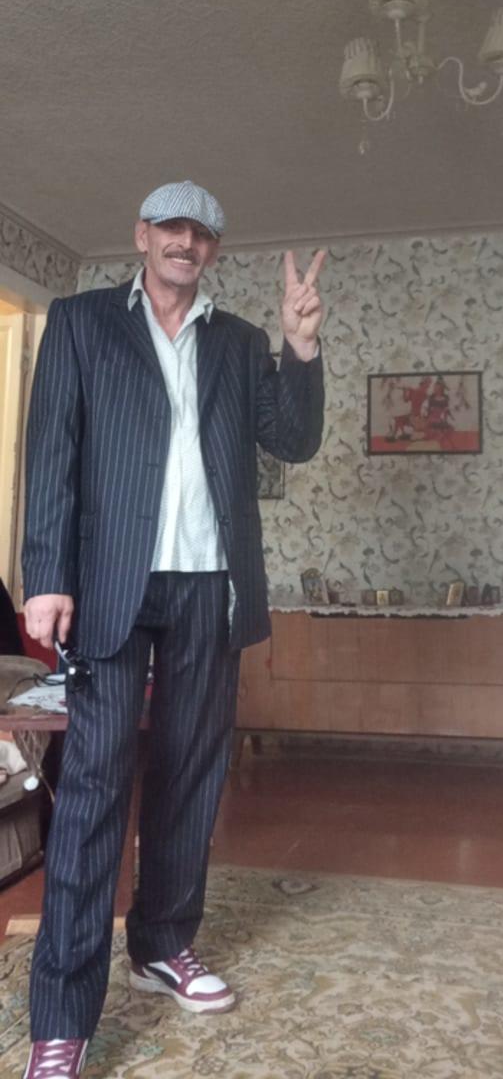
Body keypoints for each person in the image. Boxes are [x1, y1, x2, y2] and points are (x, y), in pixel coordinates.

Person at [21, 180, 325, 1079]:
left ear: (213, 250)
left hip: (211, 588)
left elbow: (294, 440)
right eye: (170, 227)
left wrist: (302, 345)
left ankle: (160, 945)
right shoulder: (80, 323)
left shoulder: (239, 342)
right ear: (142, 235)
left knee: (191, 774)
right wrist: (46, 577)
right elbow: (51, 451)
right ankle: (61, 1016)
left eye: (201, 232)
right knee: (93, 791)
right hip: (111, 587)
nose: (184, 242)